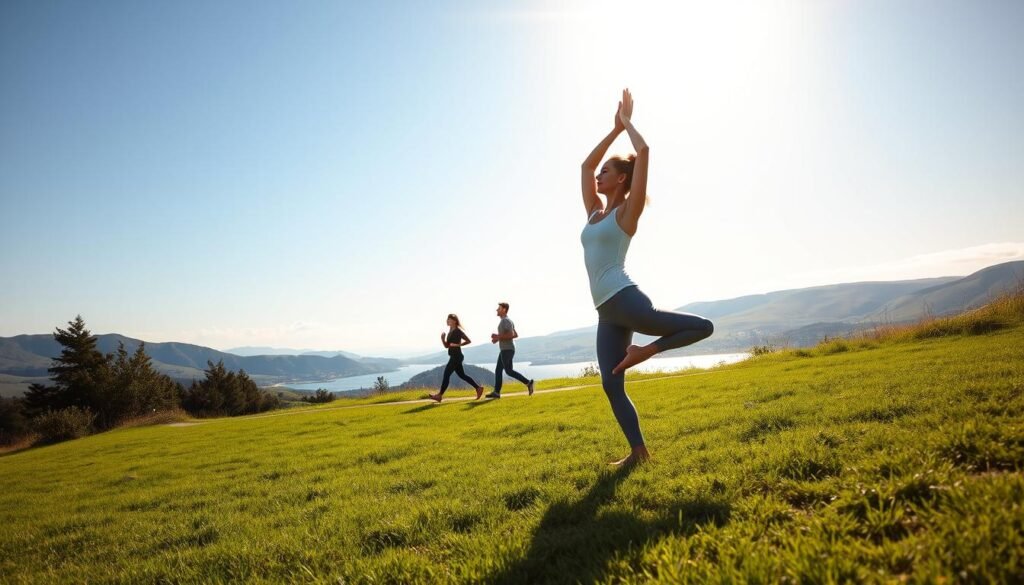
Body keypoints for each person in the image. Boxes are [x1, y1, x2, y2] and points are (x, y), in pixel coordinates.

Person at [579, 88, 714, 465]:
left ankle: (648, 351)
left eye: (609, 170)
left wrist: (627, 124)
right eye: (603, 169)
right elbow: (585, 168)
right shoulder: (593, 213)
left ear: (622, 180)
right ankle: (639, 453)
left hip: (628, 301)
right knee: (610, 383)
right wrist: (611, 131)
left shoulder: (627, 213)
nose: (600, 174)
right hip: (607, 311)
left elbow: (646, 153)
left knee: (702, 326)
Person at [428, 314, 485, 402]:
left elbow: (468, 341)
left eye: (449, 319)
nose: (447, 321)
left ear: (454, 321)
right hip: (454, 356)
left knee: (446, 374)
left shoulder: (458, 331)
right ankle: (478, 388)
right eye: (447, 319)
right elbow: (447, 346)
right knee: (462, 375)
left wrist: (458, 344)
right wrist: (442, 339)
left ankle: (439, 395)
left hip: (456, 357)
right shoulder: (450, 330)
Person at [486, 302, 535, 399]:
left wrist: (498, 336)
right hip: (506, 349)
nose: (497, 310)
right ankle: (496, 392)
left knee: (508, 371)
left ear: (504, 309)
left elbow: (512, 335)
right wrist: (497, 338)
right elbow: (515, 334)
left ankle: (528, 383)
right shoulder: (507, 321)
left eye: (499, 308)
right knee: (499, 370)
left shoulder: (506, 321)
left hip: (507, 349)